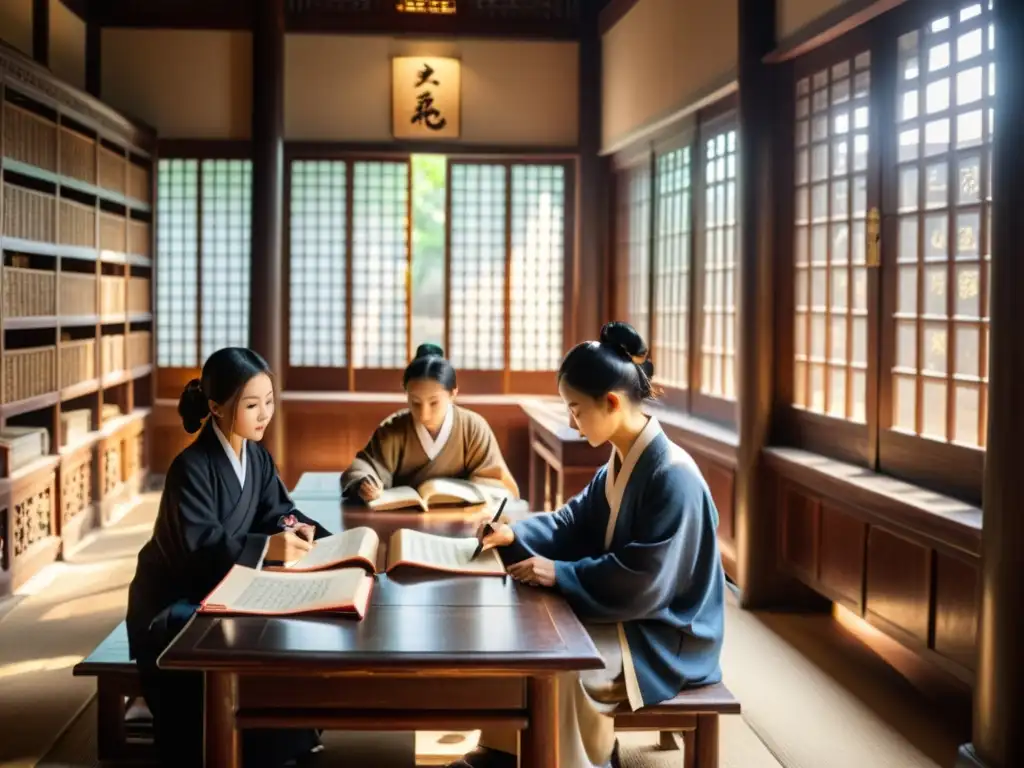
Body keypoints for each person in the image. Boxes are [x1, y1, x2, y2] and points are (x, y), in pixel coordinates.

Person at [447, 322, 726, 768]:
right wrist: (515, 534)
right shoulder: (623, 459)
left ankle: (584, 762)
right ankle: (504, 752)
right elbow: (573, 522)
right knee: (525, 636)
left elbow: (644, 581)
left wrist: (559, 573)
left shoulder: (672, 475)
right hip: (637, 615)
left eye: (576, 409)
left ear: (611, 402)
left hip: (667, 634)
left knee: (565, 663)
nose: (572, 423)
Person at [126, 347, 331, 768]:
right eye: (252, 405)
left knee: (290, 630)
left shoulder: (254, 455)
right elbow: (200, 546)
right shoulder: (191, 467)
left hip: (226, 584)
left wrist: (312, 533)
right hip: (176, 600)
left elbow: (276, 510)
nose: (264, 414)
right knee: (248, 643)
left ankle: (285, 737)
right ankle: (249, 746)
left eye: (269, 401)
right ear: (216, 408)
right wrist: (264, 548)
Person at [341, 343, 519, 502]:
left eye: (434, 403)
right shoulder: (393, 429)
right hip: (404, 517)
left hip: (463, 519)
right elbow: (366, 466)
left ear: (453, 393)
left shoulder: (473, 427)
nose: (424, 414)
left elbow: (496, 481)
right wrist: (364, 483)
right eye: (415, 402)